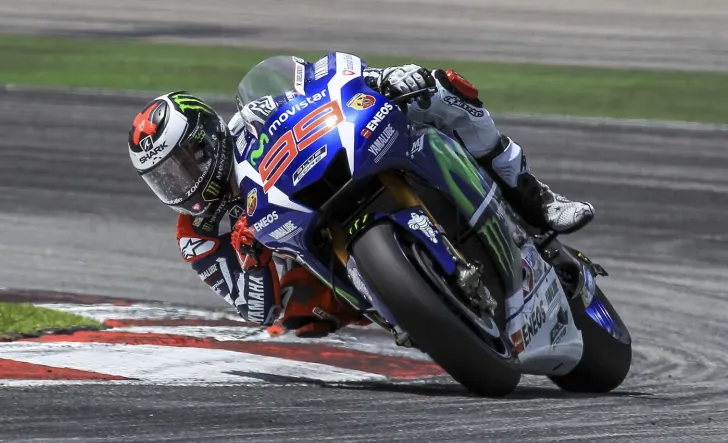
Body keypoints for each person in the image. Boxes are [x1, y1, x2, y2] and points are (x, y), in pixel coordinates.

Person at [126, 56, 595, 340]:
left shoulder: (250, 122)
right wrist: (252, 263)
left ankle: (534, 201)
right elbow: (254, 311)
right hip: (323, 274)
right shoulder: (199, 235)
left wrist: (382, 79)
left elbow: (318, 84)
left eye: (184, 163)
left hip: (335, 176)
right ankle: (416, 312)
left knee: (441, 88)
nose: (181, 183)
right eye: (165, 178)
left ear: (209, 136)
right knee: (298, 314)